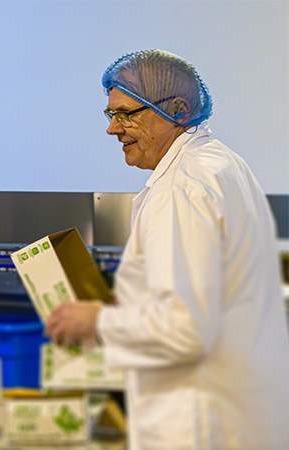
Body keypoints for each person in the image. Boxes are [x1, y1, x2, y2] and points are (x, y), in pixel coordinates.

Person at [45, 49, 289, 449]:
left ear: (177, 110)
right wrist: (131, 301)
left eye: (128, 114)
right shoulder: (220, 163)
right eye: (111, 115)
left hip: (199, 425)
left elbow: (186, 329)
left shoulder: (184, 187)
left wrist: (97, 321)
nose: (113, 129)